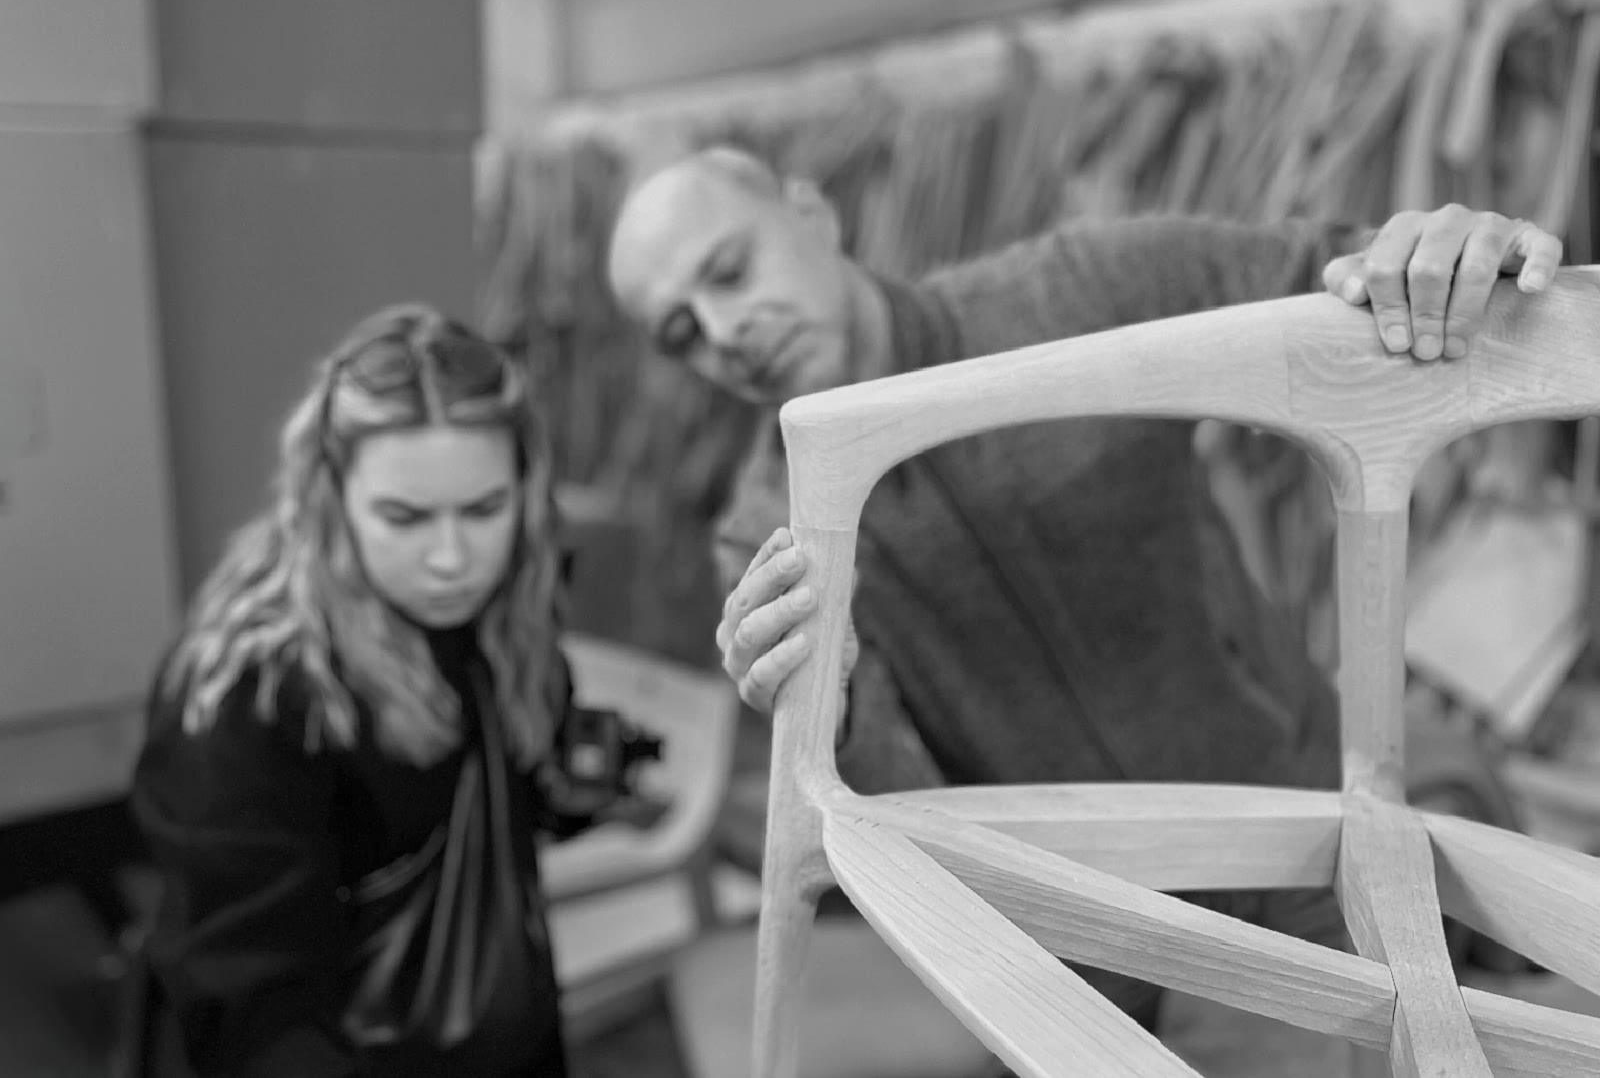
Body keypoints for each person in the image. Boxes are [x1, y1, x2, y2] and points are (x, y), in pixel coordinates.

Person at [605, 145, 1564, 1029]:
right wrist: (834, 708)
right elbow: (902, 830)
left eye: (730, 270)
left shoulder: (1076, 293)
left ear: (812, 214)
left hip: (1313, 849)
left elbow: (1329, 279)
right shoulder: (771, 531)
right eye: (683, 333)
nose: (726, 333)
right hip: (1084, 958)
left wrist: (1432, 261)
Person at [131, 305, 626, 1077]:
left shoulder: (506, 618)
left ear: (527, 492)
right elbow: (252, 1002)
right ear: (330, 497)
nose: (451, 559)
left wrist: (572, 779)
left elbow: (519, 808)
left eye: (485, 509)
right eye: (404, 517)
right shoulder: (248, 686)